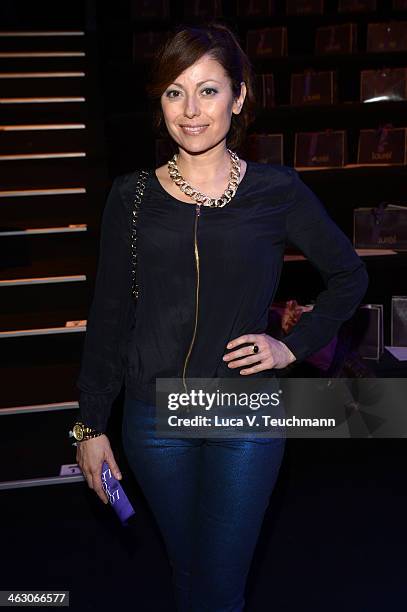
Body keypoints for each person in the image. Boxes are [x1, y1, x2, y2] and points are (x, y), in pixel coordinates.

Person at [71, 23, 369, 612]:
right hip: (153, 418)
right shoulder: (129, 198)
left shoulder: (275, 190)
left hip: (243, 410)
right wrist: (89, 426)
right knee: (188, 572)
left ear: (239, 97)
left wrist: (292, 346)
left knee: (219, 586)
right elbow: (108, 317)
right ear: (159, 103)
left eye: (209, 90)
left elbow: (349, 275)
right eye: (174, 91)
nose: (191, 110)